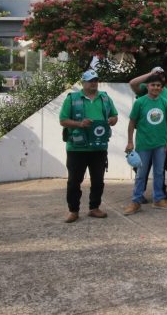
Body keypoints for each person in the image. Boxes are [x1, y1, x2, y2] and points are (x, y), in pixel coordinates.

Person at [59, 69, 118, 223]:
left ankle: (94, 208)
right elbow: (63, 120)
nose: (94, 83)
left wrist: (112, 119)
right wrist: (79, 123)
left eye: (96, 80)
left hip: (98, 147)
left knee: (98, 180)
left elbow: (114, 115)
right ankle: (73, 210)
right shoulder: (72, 98)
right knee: (74, 181)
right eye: (90, 80)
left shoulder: (105, 98)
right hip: (77, 148)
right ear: (83, 82)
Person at [124, 74, 167, 214]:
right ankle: (136, 202)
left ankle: (158, 199)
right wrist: (129, 141)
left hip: (160, 144)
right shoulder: (140, 102)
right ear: (147, 87)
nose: (156, 87)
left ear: (161, 88)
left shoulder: (165, 102)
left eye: (158, 85)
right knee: (141, 174)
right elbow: (132, 122)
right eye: (153, 85)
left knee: (159, 173)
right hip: (143, 144)